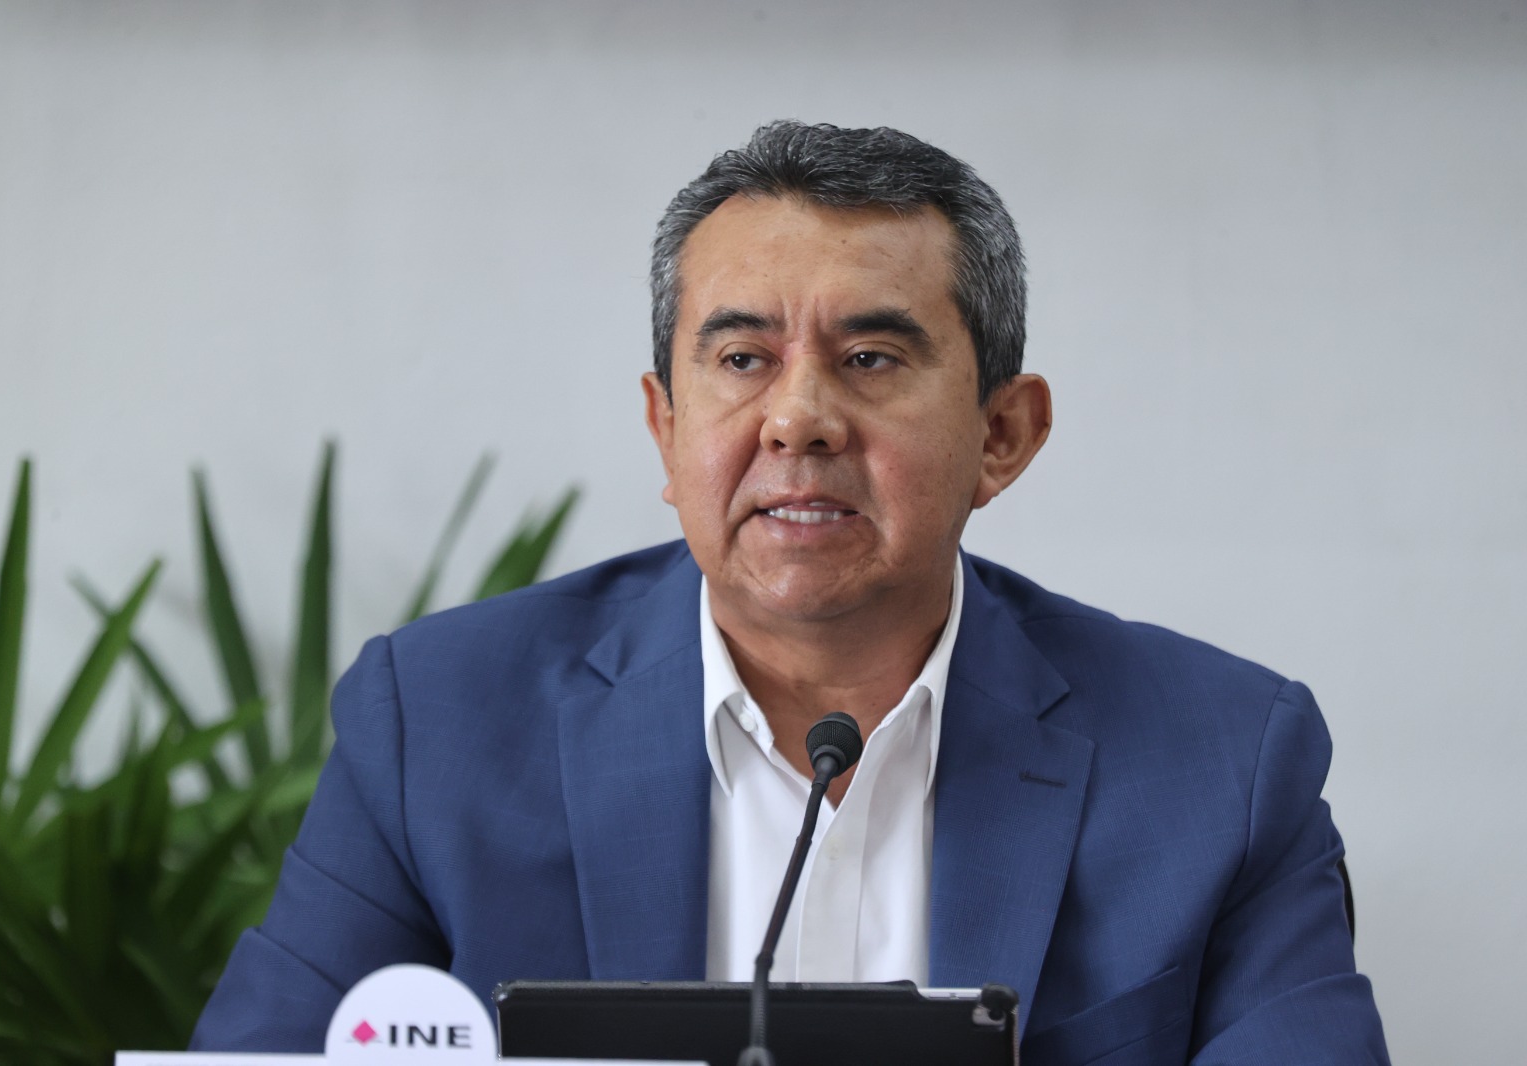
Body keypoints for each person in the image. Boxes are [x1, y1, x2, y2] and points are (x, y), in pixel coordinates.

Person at [191, 121, 1389, 1063]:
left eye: (869, 358)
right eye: (741, 358)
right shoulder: (439, 725)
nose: (799, 418)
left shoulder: (1220, 763)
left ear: (1002, 435)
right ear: (665, 428)